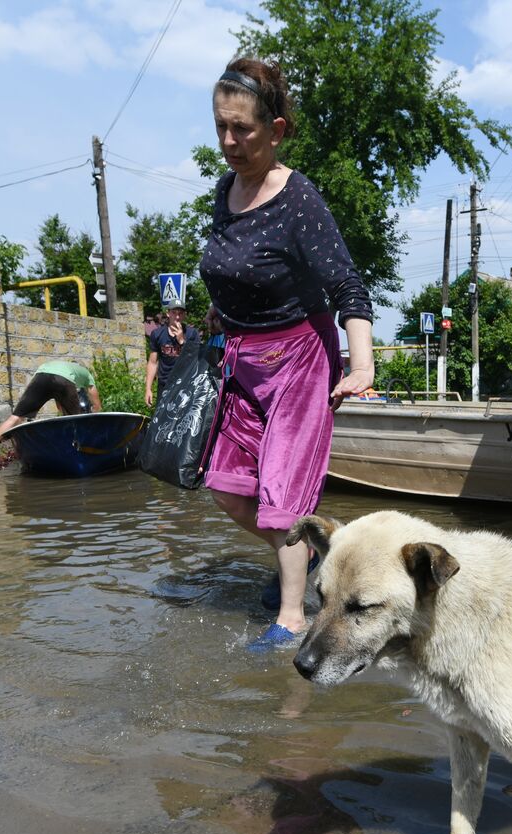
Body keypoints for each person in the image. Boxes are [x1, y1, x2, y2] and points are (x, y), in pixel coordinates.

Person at [200, 57, 375, 650]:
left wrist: (362, 365)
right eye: (221, 126)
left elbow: (348, 285)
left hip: (300, 359)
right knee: (223, 482)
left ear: (275, 130)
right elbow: (231, 274)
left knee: (282, 499)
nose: (229, 141)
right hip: (240, 359)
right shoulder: (225, 192)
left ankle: (292, 618)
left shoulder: (299, 199)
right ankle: (304, 554)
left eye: (242, 129)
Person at [0, 360, 102, 463]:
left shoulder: (63, 366)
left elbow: (60, 404)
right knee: (77, 420)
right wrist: (97, 410)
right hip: (63, 380)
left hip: (41, 375)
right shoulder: (85, 372)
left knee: (16, 417)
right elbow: (93, 392)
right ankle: (82, 453)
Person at [144, 304, 198, 407]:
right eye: (174, 313)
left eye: (180, 313)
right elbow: (152, 362)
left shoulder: (192, 334)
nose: (177, 317)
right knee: (161, 421)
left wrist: (182, 341)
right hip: (165, 385)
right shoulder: (157, 334)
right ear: (168, 313)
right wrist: (148, 389)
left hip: (185, 386)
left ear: (184, 315)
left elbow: (195, 360)